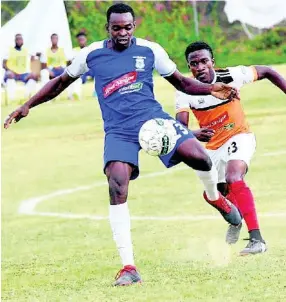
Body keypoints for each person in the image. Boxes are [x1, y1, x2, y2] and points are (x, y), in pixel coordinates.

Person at [4, 4, 242, 286]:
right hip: (118, 131)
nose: (123, 33)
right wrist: (27, 105)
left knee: (201, 159)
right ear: (108, 28)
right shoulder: (91, 54)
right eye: (117, 27)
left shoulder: (150, 50)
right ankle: (129, 266)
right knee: (117, 184)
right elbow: (59, 83)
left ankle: (215, 197)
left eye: (127, 27)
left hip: (153, 119)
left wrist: (210, 88)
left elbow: (182, 83)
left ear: (133, 26)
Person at [175, 41, 286, 255]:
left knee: (234, 176)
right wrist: (194, 134)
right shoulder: (185, 91)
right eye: (194, 63)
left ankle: (257, 239)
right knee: (214, 195)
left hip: (240, 135)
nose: (200, 67)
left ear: (212, 62)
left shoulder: (230, 76)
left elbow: (267, 71)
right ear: (189, 67)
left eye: (204, 61)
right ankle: (235, 221)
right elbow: (181, 129)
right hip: (213, 147)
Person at [2, 33, 37, 101]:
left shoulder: (26, 50)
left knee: (33, 76)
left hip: (23, 74)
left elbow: (34, 58)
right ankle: (11, 100)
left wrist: (33, 70)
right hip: (12, 73)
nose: (19, 41)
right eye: (17, 39)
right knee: (9, 75)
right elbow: (4, 64)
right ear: (15, 41)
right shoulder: (9, 50)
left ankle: (26, 99)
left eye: (20, 39)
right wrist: (10, 71)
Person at [68, 32, 96, 100]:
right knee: (76, 77)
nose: (81, 41)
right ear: (77, 41)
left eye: (82, 39)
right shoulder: (74, 51)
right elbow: (71, 63)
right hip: (81, 70)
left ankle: (97, 93)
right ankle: (75, 94)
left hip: (90, 69)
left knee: (99, 72)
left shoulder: (90, 49)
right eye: (79, 40)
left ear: (86, 39)